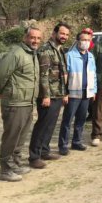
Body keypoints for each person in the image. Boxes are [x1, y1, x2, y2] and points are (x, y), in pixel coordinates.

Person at [0, 27, 41, 182]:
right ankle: (5, 169)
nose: (35, 40)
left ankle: (15, 164)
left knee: (21, 136)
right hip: (15, 102)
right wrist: (0, 91)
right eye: (32, 37)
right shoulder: (16, 53)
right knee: (11, 136)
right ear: (25, 37)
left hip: (27, 102)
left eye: (38, 38)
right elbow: (1, 73)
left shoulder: (32, 54)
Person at [29, 23, 70, 169]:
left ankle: (44, 151)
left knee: (50, 125)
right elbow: (43, 75)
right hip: (48, 95)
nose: (64, 36)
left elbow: (62, 74)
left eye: (66, 34)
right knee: (42, 125)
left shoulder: (60, 50)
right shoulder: (46, 50)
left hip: (58, 94)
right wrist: (45, 95)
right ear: (54, 33)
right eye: (62, 33)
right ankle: (34, 157)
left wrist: (65, 93)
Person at [58, 31, 97, 156]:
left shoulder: (91, 56)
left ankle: (77, 141)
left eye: (88, 40)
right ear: (77, 41)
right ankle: (63, 145)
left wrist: (94, 90)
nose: (85, 42)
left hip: (86, 94)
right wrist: (64, 93)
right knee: (67, 120)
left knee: (81, 120)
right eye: (83, 39)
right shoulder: (69, 55)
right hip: (73, 94)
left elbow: (93, 75)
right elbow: (64, 76)